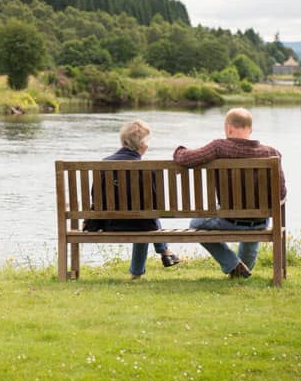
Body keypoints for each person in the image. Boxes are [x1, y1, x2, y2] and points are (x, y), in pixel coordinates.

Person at [173, 108, 287, 279]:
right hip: (259, 222)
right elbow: (281, 194)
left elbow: (186, 159)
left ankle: (233, 264)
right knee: (254, 218)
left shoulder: (220, 147)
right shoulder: (272, 153)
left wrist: (179, 150)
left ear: (228, 128)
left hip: (228, 219)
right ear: (250, 129)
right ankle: (241, 271)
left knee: (196, 223)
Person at [83, 119, 180, 279]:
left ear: (122, 141)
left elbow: (96, 197)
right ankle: (159, 255)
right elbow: (156, 205)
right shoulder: (148, 170)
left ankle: (151, 262)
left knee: (144, 217)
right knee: (146, 217)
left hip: (110, 224)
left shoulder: (103, 164)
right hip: (141, 224)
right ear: (142, 145)